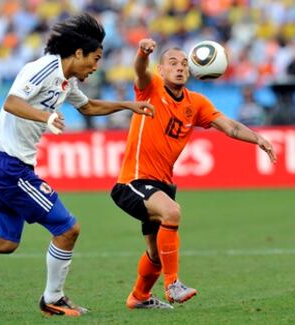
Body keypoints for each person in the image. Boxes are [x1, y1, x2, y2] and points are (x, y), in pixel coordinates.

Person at [0, 14, 154, 317]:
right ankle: (53, 298)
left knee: (6, 241)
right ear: (78, 53)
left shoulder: (66, 82)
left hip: (9, 164)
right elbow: (11, 102)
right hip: (11, 167)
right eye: (95, 59)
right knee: (68, 228)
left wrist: (127, 105)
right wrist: (46, 117)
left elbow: (88, 106)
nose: (96, 66)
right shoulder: (42, 68)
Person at [110, 38, 277, 310]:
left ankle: (138, 297)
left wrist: (257, 138)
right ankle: (172, 285)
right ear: (161, 71)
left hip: (162, 183)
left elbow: (230, 127)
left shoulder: (195, 103)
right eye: (173, 63)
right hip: (133, 181)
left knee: (155, 254)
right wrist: (143, 52)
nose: (180, 68)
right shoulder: (150, 89)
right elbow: (140, 70)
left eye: (185, 64)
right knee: (172, 213)